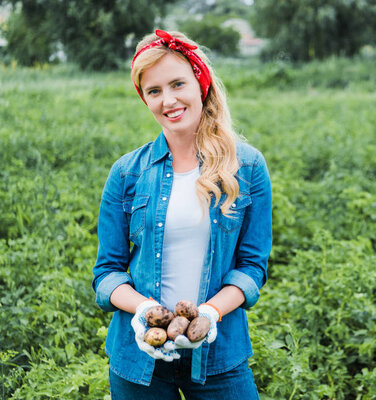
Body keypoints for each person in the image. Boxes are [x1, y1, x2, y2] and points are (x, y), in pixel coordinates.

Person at [92, 29, 272, 399]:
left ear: (200, 83)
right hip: (139, 361)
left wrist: (209, 314)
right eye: (154, 91)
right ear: (145, 99)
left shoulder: (247, 167)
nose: (168, 100)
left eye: (177, 84)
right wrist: (142, 311)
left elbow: (253, 266)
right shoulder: (127, 173)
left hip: (220, 359)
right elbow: (106, 272)